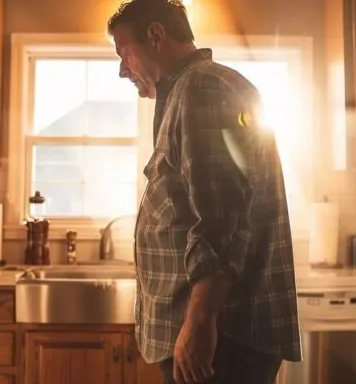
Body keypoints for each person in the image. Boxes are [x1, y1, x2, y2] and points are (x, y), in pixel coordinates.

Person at [106, 1, 302, 383]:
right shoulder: (188, 91)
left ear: (157, 35)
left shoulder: (201, 88)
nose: (121, 70)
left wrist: (199, 324)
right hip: (219, 337)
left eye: (124, 53)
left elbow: (217, 224)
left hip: (221, 340)